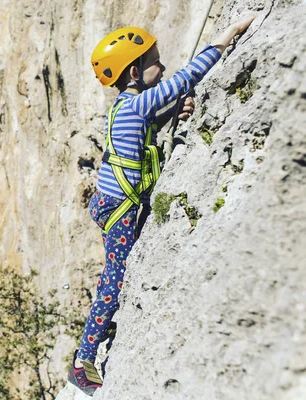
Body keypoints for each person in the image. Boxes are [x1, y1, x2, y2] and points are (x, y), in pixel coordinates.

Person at [67, 16, 256, 396]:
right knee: (115, 276)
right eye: (155, 60)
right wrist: (227, 36)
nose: (163, 65)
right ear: (134, 71)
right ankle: (82, 361)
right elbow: (184, 78)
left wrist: (173, 115)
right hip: (118, 205)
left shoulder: (128, 104)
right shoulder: (138, 103)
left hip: (111, 201)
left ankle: (99, 333)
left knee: (119, 268)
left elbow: (147, 123)